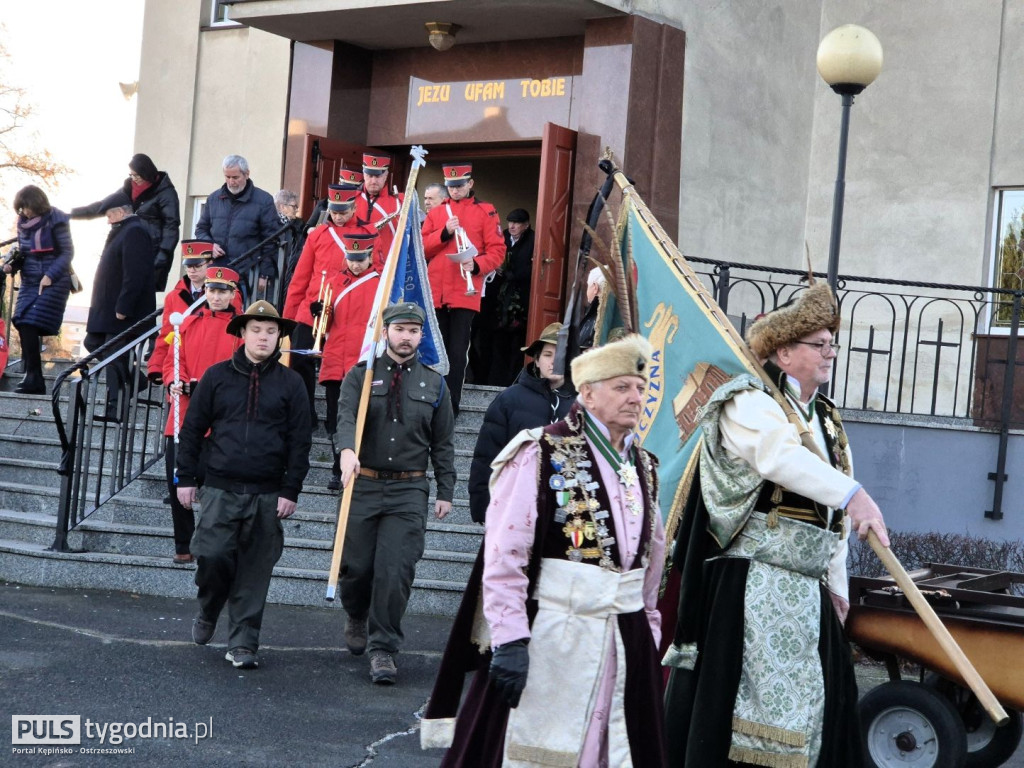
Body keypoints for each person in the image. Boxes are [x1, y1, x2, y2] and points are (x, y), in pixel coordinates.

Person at [662, 282, 890, 768]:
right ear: (784, 353)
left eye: (833, 343)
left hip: (809, 592)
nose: (831, 353)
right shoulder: (747, 401)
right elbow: (777, 457)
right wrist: (854, 495)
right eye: (819, 344)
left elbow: (835, 520)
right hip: (751, 586)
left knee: (821, 714)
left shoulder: (826, 418)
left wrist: (838, 584)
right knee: (743, 717)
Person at [420, 333, 668, 766]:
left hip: (624, 646)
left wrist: (648, 630)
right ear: (588, 393)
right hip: (555, 639)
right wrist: (510, 639)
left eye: (641, 388)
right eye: (623, 387)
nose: (636, 398)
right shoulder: (542, 451)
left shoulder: (643, 465)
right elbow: (506, 554)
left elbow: (652, 560)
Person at [176, 300, 311, 670]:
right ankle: (209, 606)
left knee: (255, 569)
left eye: (270, 331)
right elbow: (191, 431)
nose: (264, 337)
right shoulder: (216, 377)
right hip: (219, 488)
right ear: (242, 334)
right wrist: (186, 477)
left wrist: (291, 489)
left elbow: (301, 440)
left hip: (268, 493)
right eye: (256, 330)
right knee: (213, 556)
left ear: (278, 336)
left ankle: (244, 643)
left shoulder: (292, 383)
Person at [335, 302, 455, 685]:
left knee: (396, 570)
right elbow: (346, 417)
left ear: (422, 336)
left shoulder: (435, 383)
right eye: (399, 329)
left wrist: (445, 490)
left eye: (413, 331)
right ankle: (356, 612)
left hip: (409, 488)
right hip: (365, 482)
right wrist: (346, 451)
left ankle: (383, 648)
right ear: (385, 331)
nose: (406, 337)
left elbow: (444, 442)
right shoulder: (361, 375)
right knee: (356, 568)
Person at [160, 266, 241, 563]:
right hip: (183, 416)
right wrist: (173, 381)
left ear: (233, 294)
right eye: (211, 290)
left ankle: (210, 543)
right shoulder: (187, 324)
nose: (216, 296)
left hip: (220, 420)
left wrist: (204, 388)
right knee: (177, 481)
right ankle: (183, 546)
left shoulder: (239, 330)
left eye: (222, 291)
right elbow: (172, 362)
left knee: (216, 486)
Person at [282, 185, 374, 428]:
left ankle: (340, 419)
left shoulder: (367, 233)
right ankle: (306, 412)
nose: (338, 216)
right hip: (313, 306)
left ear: (354, 207)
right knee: (300, 359)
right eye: (334, 211)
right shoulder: (318, 234)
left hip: (348, 309)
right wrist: (288, 319)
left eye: (343, 211)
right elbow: (300, 278)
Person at [467, 322, 574, 523]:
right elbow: (487, 454)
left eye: (561, 355)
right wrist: (483, 506)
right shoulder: (509, 399)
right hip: (513, 507)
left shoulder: (581, 406)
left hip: (564, 514)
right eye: (548, 355)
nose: (554, 362)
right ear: (536, 359)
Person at [421, 163, 504, 417]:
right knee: (435, 350)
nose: (455, 190)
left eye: (459, 185)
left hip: (465, 293)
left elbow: (498, 251)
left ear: (470, 184)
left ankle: (450, 406)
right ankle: (429, 402)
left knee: (457, 352)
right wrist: (444, 233)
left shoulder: (486, 211)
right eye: (450, 186)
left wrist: (477, 264)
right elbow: (423, 248)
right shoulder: (437, 213)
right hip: (437, 292)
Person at [84, 191, 156, 419]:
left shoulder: (134, 231)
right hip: (106, 313)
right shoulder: (123, 230)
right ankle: (137, 381)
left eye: (109, 214)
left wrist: (124, 307)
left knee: (114, 354)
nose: (107, 219)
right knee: (93, 343)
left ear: (121, 211)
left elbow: (134, 273)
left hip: (122, 313)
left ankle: (116, 407)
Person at [317, 233, 380, 491]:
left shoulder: (380, 284)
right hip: (335, 359)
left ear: (370, 257)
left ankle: (362, 466)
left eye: (361, 259)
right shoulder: (333, 282)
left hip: (363, 361)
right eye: (352, 259)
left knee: (364, 416)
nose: (355, 264)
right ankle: (336, 468)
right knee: (335, 418)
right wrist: (319, 312)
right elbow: (325, 326)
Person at [71, 153, 181, 292]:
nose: (134, 179)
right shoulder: (128, 188)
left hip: (150, 252)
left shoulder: (166, 193)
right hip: (126, 247)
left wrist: (162, 257)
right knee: (117, 291)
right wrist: (72, 214)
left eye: (137, 175)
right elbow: (103, 205)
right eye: (131, 175)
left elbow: (171, 226)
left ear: (146, 172)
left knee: (140, 297)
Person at [5, 185, 74, 394]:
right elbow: (25, 252)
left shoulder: (57, 219)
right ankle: (33, 376)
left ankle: (34, 377)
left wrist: (50, 276)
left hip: (55, 278)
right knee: (21, 320)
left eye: (27, 207)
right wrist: (13, 264)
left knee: (31, 321)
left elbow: (68, 252)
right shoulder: (22, 223)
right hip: (30, 279)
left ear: (37, 203)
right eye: (22, 208)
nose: (25, 212)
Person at [147, 240, 243, 384]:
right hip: (180, 365)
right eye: (188, 266)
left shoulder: (226, 293)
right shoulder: (174, 296)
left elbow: (232, 325)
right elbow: (168, 333)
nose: (192, 270)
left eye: (197, 265)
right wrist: (156, 365)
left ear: (210, 263)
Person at [194, 154, 281, 297]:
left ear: (247, 174)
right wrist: (210, 245)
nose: (231, 182)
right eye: (227, 177)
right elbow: (201, 229)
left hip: (247, 275)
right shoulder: (214, 198)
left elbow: (271, 241)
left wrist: (265, 274)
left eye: (235, 177)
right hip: (216, 270)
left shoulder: (264, 200)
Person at [488, 208, 535, 386]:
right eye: (510, 222)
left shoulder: (534, 240)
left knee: (518, 342)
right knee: (497, 340)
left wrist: (512, 274)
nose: (512, 226)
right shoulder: (504, 236)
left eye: (517, 223)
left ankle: (514, 381)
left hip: (520, 299)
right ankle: (495, 380)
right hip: (499, 298)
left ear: (526, 225)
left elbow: (534, 266)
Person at [355, 153, 403, 262]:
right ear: (363, 174)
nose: (373, 181)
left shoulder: (399, 201)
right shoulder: (351, 199)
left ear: (386, 176)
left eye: (378, 176)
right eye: (369, 176)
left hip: (387, 266)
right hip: (356, 265)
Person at [274, 189, 307, 306]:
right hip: (274, 274)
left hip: (290, 273)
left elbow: (301, 248)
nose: (297, 209)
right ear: (282, 207)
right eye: (294, 206)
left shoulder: (298, 225)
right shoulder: (270, 225)